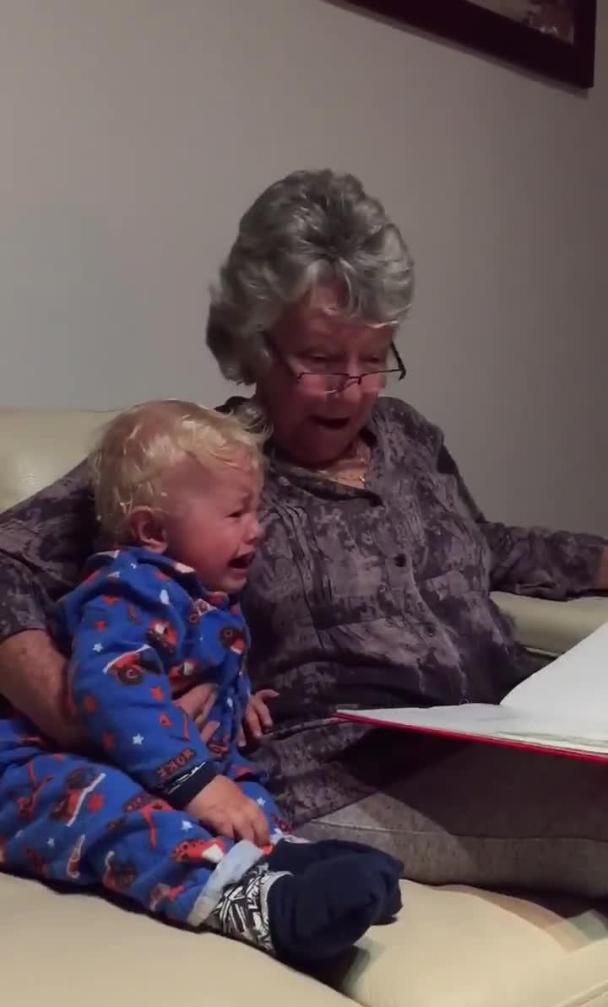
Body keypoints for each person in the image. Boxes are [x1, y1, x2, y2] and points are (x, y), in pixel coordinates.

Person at [1, 169, 607, 898]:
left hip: (512, 730)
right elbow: (9, 562)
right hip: (344, 770)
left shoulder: (410, 437)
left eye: (374, 359)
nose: (352, 387)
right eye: (321, 359)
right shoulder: (196, 470)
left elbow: (485, 545)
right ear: (255, 344)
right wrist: (75, 714)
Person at [0, 399, 402, 965]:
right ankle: (252, 902)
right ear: (152, 530)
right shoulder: (128, 589)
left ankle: (279, 857)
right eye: (237, 515)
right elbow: (111, 692)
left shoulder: (203, 597)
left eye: (256, 512)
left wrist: (240, 702)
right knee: (114, 807)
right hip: (32, 772)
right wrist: (200, 784)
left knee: (245, 785)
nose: (257, 530)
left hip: (148, 762)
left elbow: (197, 673)